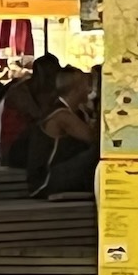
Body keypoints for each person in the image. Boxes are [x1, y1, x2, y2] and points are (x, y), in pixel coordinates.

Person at [30, 67, 98, 197]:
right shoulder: (61, 115)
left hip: (60, 173)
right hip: (47, 179)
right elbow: (92, 138)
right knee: (96, 152)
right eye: (86, 85)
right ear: (77, 89)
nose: (89, 90)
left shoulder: (78, 112)